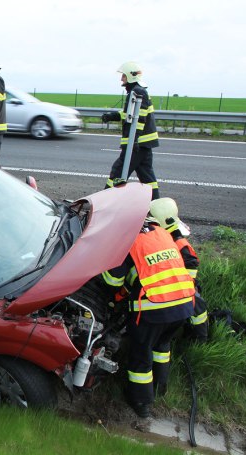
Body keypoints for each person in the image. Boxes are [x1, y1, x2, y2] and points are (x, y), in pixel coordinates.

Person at [101, 214, 196, 418]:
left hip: (154, 309)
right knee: (161, 346)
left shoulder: (126, 240)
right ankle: (160, 386)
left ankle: (141, 403)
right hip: (184, 304)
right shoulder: (160, 232)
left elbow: (111, 280)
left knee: (141, 355)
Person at [149, 198, 209, 341]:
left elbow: (189, 278)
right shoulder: (170, 236)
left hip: (181, 288)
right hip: (172, 285)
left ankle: (198, 339)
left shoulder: (181, 246)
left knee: (196, 303)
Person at [102, 61, 161, 199]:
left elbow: (139, 119)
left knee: (118, 172)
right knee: (147, 177)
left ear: (130, 76)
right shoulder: (138, 92)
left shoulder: (137, 92)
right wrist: (113, 116)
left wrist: (133, 141)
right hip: (143, 143)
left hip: (138, 144)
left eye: (123, 75)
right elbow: (130, 115)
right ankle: (155, 205)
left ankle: (104, 201)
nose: (121, 79)